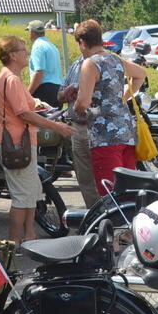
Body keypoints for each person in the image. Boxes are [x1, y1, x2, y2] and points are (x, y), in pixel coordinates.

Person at [0, 36, 73, 244]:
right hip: (16, 144)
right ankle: (14, 242)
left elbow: (27, 105)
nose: (26, 53)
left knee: (30, 192)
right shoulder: (12, 79)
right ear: (12, 55)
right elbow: (23, 113)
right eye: (22, 50)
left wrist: (40, 104)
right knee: (22, 195)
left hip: (20, 142)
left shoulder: (9, 77)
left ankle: (29, 235)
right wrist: (57, 126)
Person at [73, 20, 147, 196]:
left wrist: (76, 109)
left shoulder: (90, 63)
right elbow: (141, 75)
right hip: (126, 133)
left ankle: (116, 223)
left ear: (83, 42)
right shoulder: (115, 58)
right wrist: (121, 99)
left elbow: (83, 102)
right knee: (129, 189)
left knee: (110, 193)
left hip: (104, 136)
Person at [57, 54, 99, 208]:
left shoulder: (106, 62)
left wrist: (82, 93)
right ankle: (94, 213)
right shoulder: (75, 65)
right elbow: (60, 95)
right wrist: (65, 93)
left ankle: (113, 216)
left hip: (101, 129)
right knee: (85, 177)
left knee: (105, 175)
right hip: (78, 127)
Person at [25, 20, 63, 108]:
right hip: (57, 89)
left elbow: (39, 72)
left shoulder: (37, 46)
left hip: (44, 89)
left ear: (32, 33)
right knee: (54, 119)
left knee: (40, 120)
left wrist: (27, 94)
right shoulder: (52, 46)